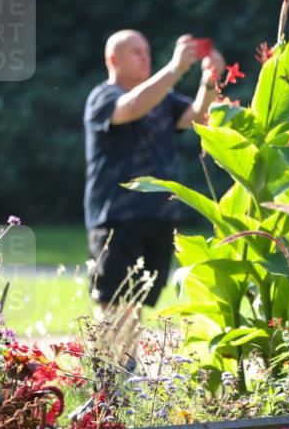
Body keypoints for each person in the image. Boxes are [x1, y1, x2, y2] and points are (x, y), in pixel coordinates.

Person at [83, 30, 225, 365]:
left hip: (158, 216)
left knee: (136, 301)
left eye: (147, 51)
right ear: (113, 59)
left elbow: (197, 116)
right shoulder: (103, 97)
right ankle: (109, 375)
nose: (145, 57)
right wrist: (175, 69)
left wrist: (209, 81)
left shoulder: (163, 96)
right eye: (136, 52)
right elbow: (132, 107)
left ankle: (125, 372)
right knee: (113, 299)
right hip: (116, 217)